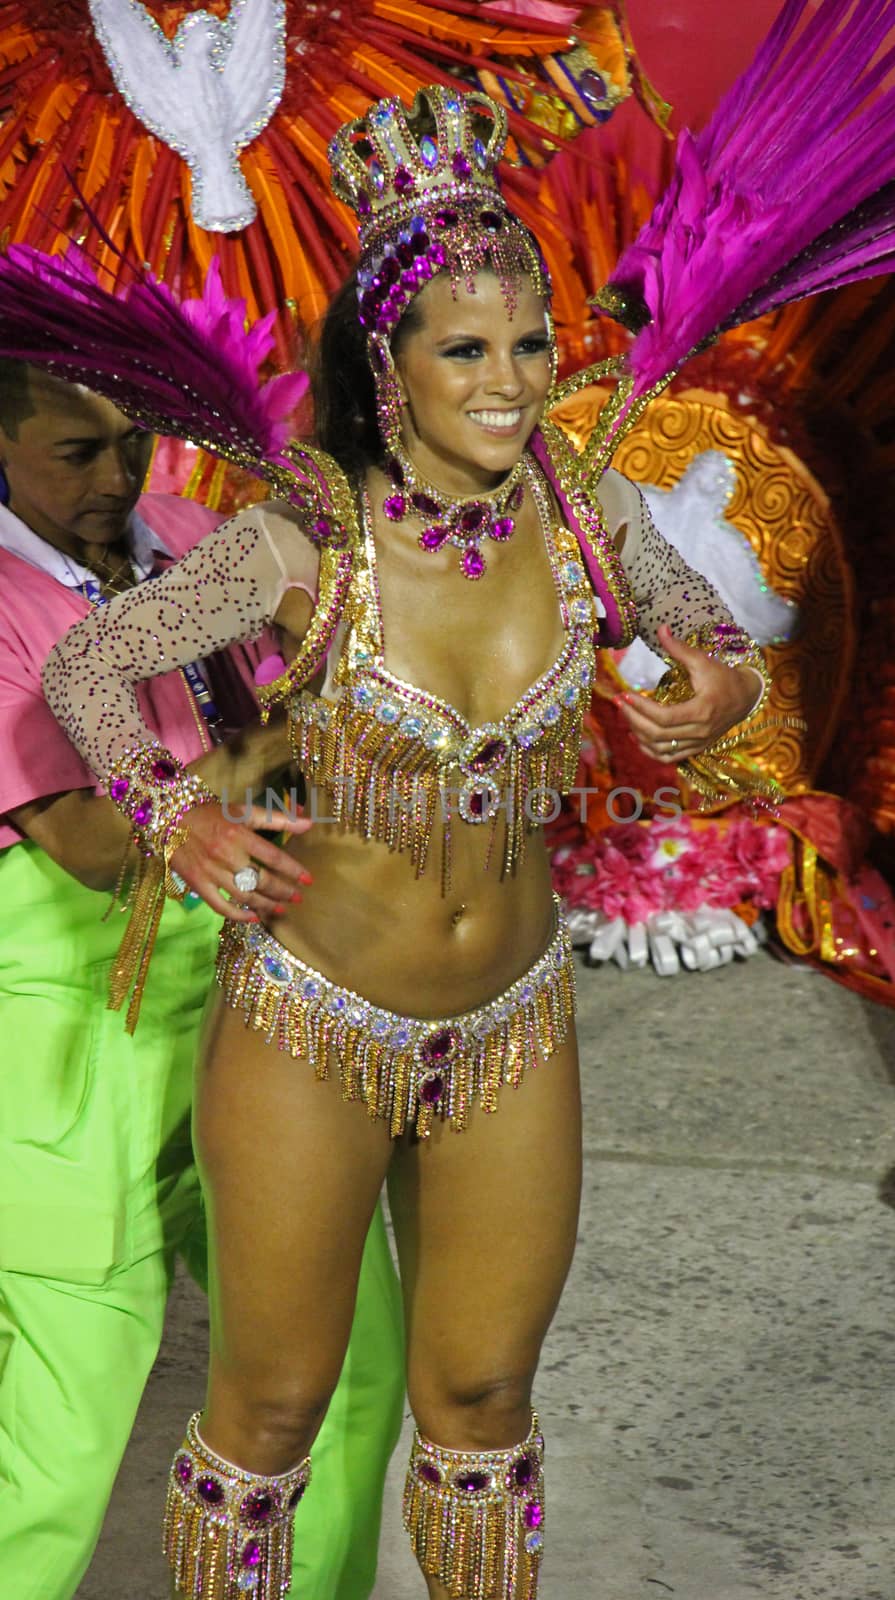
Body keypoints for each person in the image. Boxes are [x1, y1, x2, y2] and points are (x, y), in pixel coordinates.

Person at [29, 86, 771, 1600]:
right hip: (311, 1026)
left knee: (485, 1409)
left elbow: (694, 620)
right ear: (386, 361)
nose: (506, 385)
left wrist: (721, 672)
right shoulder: (298, 532)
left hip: (510, 1026)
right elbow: (90, 669)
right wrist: (176, 819)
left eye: (525, 345)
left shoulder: (584, 506)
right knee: (270, 1412)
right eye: (463, 350)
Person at [0, 363, 404, 1599]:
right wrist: (284, 744)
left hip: (262, 1013)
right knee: (60, 1452)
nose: (118, 480)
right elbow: (94, 847)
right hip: (80, 1051)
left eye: (132, 446)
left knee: (350, 1372)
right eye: (77, 454)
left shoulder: (181, 536)